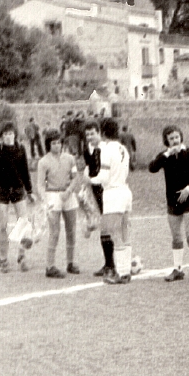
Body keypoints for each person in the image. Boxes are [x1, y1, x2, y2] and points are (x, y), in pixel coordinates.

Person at [148, 125, 189, 282]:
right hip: (173, 200)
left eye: (177, 137)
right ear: (167, 141)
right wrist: (166, 154)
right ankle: (178, 269)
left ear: (181, 137)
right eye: (171, 139)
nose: (175, 141)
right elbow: (152, 168)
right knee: (176, 236)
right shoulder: (165, 156)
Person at [0, 122, 36, 272]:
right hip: (1, 190)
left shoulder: (21, 149)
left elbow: (25, 171)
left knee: (23, 222)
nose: (8, 137)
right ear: (1, 136)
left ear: (15, 135)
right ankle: (3, 258)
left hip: (18, 189)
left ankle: (21, 256)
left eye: (11, 133)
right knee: (3, 225)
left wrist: (30, 191)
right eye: (5, 134)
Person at [38, 129, 81, 278]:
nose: (57, 145)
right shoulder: (43, 162)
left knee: (71, 230)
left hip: (67, 194)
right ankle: (50, 266)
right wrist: (45, 200)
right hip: (53, 195)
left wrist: (69, 191)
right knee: (54, 231)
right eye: (53, 143)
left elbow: (75, 177)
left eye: (58, 142)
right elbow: (40, 184)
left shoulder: (69, 158)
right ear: (48, 145)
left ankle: (70, 262)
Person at [97, 118, 135, 284]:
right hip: (125, 191)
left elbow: (104, 177)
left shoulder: (106, 149)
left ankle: (120, 272)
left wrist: (89, 178)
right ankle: (126, 271)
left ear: (103, 132)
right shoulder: (123, 149)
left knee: (115, 233)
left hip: (113, 193)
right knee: (124, 232)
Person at [83, 121, 117, 279]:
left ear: (99, 133)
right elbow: (89, 167)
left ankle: (115, 264)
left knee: (110, 226)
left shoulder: (106, 148)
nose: (90, 137)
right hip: (95, 190)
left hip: (107, 189)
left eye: (93, 133)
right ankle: (108, 263)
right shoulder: (87, 148)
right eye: (87, 134)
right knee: (104, 226)